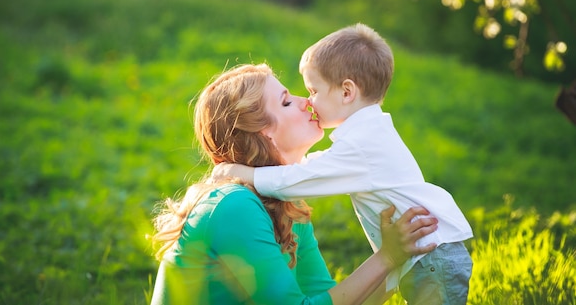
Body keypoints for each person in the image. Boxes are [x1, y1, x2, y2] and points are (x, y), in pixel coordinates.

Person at [214, 25, 474, 305]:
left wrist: (245, 173)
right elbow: (314, 168)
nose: (308, 102)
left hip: (431, 255)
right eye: (291, 100)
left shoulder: (362, 144)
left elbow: (300, 179)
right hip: (428, 255)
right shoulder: (366, 136)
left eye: (313, 91)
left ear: (346, 92)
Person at [150, 63, 439, 305]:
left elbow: (328, 298)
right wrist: (387, 256)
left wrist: (402, 254)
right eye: (287, 102)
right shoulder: (233, 204)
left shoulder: (286, 204)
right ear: (264, 134)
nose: (307, 102)